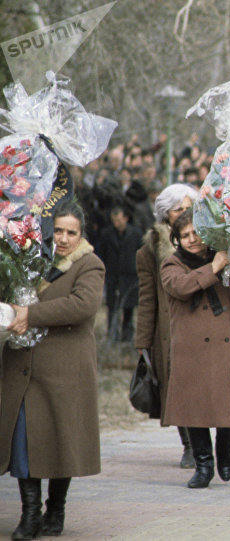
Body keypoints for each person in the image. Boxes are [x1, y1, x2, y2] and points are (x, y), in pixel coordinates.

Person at [0, 199, 105, 538]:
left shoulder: (90, 265)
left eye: (70, 232)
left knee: (62, 442)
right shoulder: (30, 258)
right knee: (23, 442)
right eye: (57, 230)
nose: (62, 238)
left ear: (81, 234)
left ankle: (55, 509)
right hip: (24, 366)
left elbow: (82, 305)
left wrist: (30, 313)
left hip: (65, 370)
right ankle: (29, 515)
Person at [160, 211, 230, 488]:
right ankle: (204, 464)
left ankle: (225, 449)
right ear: (177, 239)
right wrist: (214, 268)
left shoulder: (224, 258)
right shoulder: (172, 264)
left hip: (226, 341)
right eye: (185, 235)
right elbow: (182, 287)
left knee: (228, 402)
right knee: (194, 408)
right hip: (191, 348)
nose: (192, 240)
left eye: (196, 233)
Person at [135, 183, 201, 468]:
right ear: (166, 215)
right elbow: (147, 298)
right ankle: (189, 444)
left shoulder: (205, 239)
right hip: (169, 328)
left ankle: (208, 444)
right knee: (176, 386)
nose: (185, 214)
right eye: (179, 210)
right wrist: (143, 342)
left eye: (189, 208)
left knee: (203, 385)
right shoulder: (150, 250)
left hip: (204, 322)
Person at [96, 205, 143, 342]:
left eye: (119, 220)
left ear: (126, 219)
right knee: (112, 308)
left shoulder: (136, 234)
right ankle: (112, 337)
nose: (117, 224)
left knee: (128, 309)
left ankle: (127, 338)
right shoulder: (107, 234)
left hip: (130, 276)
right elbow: (102, 253)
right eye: (114, 220)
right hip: (113, 275)